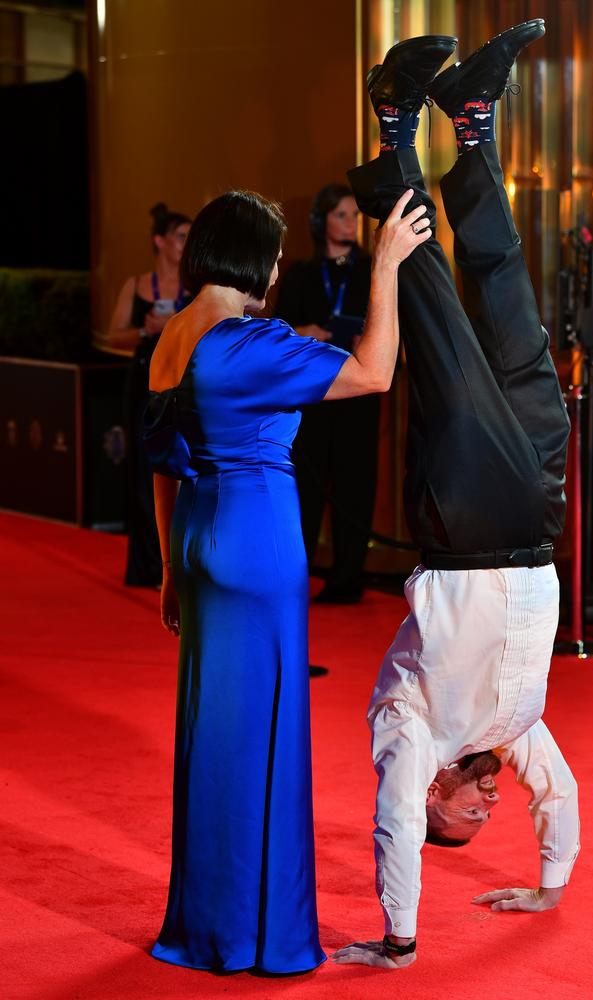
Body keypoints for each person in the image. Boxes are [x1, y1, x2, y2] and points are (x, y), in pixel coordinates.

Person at [332, 22, 579, 970]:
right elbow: (557, 797)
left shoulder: (411, 730)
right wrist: (550, 883)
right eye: (487, 817)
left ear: (435, 798)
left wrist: (401, 936)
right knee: (514, 315)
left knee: (433, 305)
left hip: (467, 518)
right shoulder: (515, 733)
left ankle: (395, 128)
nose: (486, 808)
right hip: (538, 515)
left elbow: (393, 824)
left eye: (467, 819)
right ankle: (470, 128)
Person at [143, 188, 432, 974]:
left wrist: (171, 570)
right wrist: (388, 269)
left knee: (213, 739)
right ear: (253, 257)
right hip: (257, 548)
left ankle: (207, 927)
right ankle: (256, 938)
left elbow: (163, 469)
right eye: (272, 251)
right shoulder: (247, 342)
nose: (278, 265)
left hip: (202, 545)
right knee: (264, 743)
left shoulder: (173, 337)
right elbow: (375, 373)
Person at [274, 184, 378, 603]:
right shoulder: (300, 273)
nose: (350, 223)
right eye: (341, 214)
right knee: (307, 485)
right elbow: (278, 334)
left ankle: (349, 578)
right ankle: (297, 575)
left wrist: (366, 341)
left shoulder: (373, 270)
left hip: (357, 395)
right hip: (311, 396)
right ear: (321, 221)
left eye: (355, 215)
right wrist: (308, 334)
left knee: (356, 483)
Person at [106, 203, 192, 587]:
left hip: (186, 385)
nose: (185, 244)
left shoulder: (197, 286)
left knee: (184, 469)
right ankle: (147, 566)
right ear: (160, 242)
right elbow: (113, 335)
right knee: (145, 473)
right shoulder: (136, 284)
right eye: (180, 237)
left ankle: (184, 564)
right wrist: (146, 330)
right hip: (145, 383)